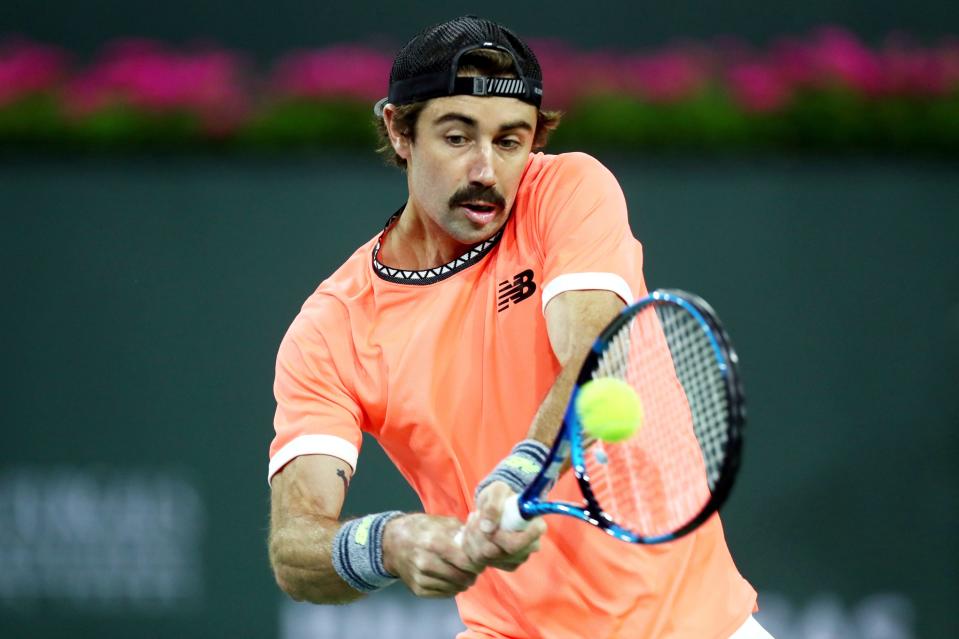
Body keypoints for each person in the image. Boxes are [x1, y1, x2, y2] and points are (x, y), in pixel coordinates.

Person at [267, 15, 770, 639]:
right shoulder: (331, 330)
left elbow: (594, 353)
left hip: (699, 628)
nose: (486, 170)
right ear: (399, 130)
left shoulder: (567, 190)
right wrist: (389, 543)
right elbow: (296, 547)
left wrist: (520, 472)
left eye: (510, 141)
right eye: (457, 137)